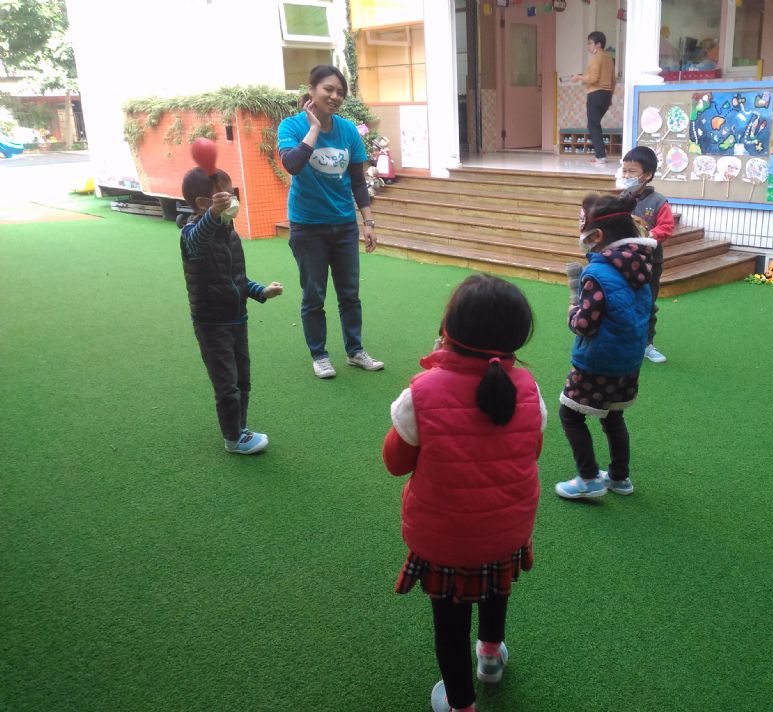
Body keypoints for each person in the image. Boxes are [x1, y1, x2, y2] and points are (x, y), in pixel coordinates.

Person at [382, 274, 546, 712]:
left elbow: (395, 462)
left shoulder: (421, 393)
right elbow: (532, 450)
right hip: (507, 531)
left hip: (445, 541)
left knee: (450, 624)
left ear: (448, 330)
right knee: (496, 590)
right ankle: (490, 656)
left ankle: (460, 704)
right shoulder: (529, 389)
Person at [277, 64, 383, 379]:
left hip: (344, 225)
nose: (335, 96)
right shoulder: (291, 126)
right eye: (328, 89)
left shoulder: (348, 131)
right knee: (314, 295)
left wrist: (368, 222)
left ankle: (355, 351)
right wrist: (313, 128)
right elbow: (293, 165)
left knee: (350, 293)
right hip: (308, 226)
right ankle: (319, 355)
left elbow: (358, 182)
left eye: (340, 92)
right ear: (311, 90)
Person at [554, 193, 655, 499]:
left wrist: (572, 311)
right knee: (613, 417)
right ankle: (619, 478)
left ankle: (588, 479)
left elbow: (585, 324)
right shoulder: (640, 266)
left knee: (570, 414)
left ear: (597, 236)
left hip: (598, 361)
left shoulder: (597, 273)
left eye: (584, 233)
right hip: (629, 359)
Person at [180, 167, 283, 454]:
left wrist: (261, 291)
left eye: (232, 193)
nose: (232, 199)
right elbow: (197, 239)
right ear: (204, 203)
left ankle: (240, 428)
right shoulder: (191, 235)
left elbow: (236, 279)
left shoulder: (228, 232)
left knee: (242, 379)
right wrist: (214, 214)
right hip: (212, 323)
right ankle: (232, 438)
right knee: (226, 383)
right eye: (225, 196)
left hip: (237, 318)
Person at [617, 146, 675, 364]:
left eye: (631, 171)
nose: (626, 176)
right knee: (622, 302)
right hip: (623, 262)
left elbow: (667, 227)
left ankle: (646, 344)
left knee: (647, 303)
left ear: (647, 175)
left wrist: (648, 235)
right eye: (624, 171)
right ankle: (623, 340)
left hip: (650, 263)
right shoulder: (621, 198)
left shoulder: (658, 201)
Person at [571, 31, 616, 166]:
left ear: (598, 44)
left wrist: (578, 77)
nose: (588, 46)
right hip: (606, 94)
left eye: (590, 43)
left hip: (595, 94)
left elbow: (593, 78)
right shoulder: (609, 59)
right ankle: (601, 154)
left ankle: (600, 156)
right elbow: (613, 81)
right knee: (595, 124)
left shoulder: (596, 57)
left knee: (593, 125)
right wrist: (610, 97)